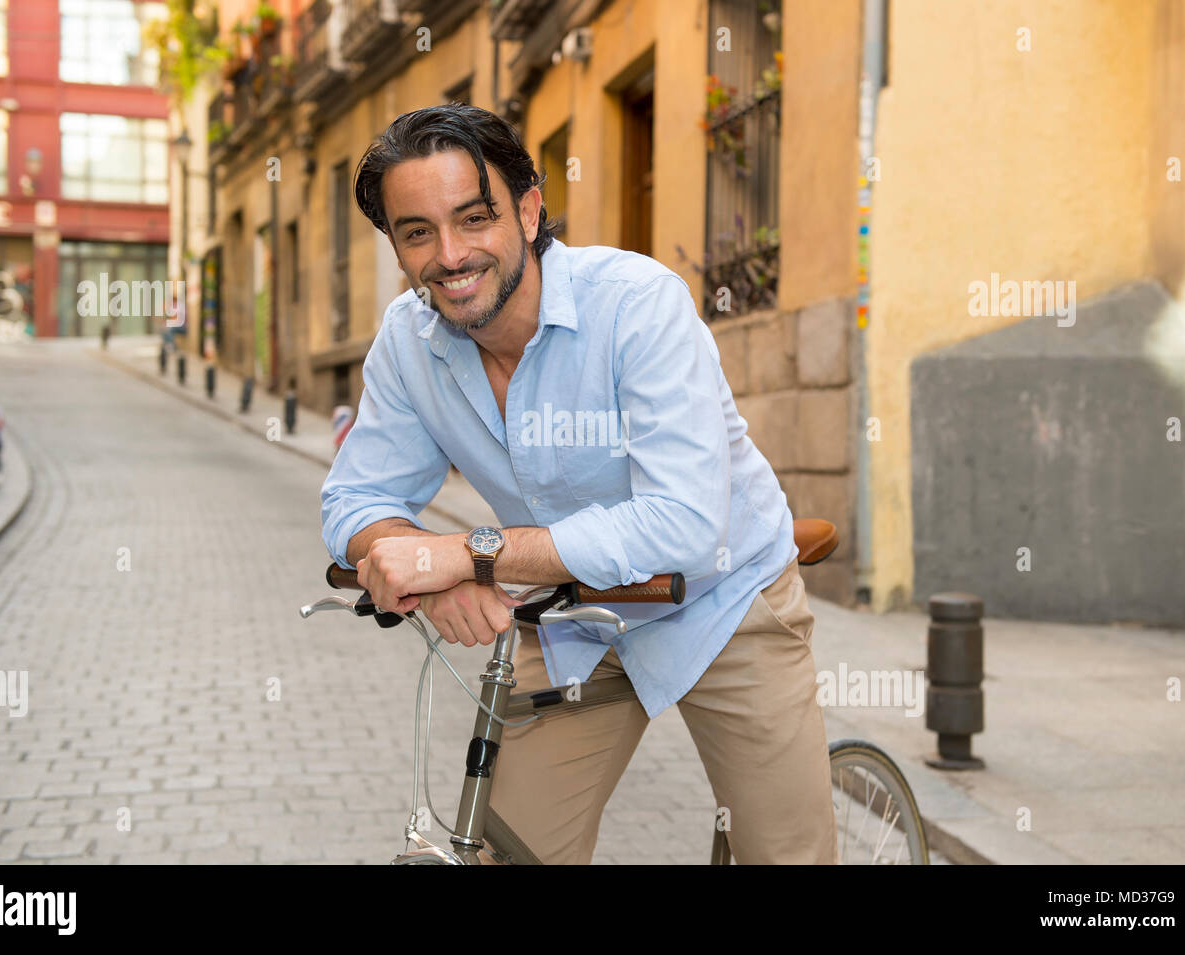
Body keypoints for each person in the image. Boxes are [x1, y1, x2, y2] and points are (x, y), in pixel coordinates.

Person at [320, 104, 836, 865]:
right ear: (395, 246)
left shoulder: (636, 304)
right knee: (509, 850)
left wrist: (471, 554)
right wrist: (410, 561)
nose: (451, 254)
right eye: (418, 231)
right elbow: (353, 499)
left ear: (529, 211)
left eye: (474, 217)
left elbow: (682, 524)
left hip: (723, 601)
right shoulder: (408, 342)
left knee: (783, 856)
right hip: (576, 620)